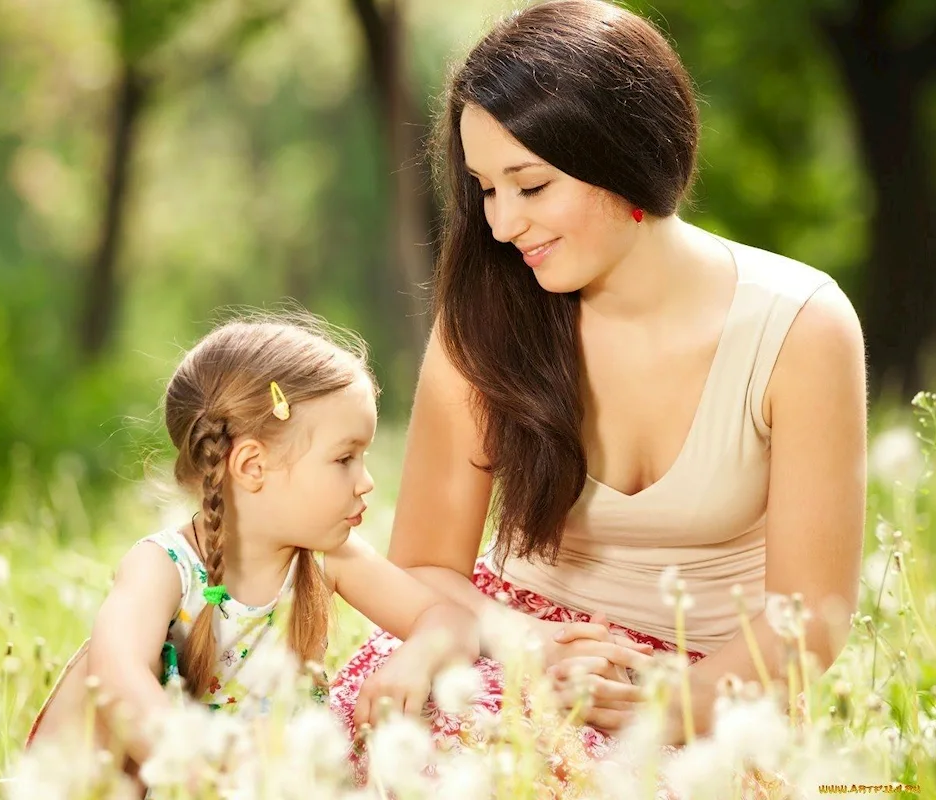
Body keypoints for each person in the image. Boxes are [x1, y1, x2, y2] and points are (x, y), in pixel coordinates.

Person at [332, 0, 867, 753]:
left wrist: (667, 700)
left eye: (530, 185)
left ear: (624, 157)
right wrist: (530, 648)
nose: (500, 224)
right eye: (485, 188)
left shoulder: (802, 327)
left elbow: (811, 618)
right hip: (506, 646)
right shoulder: (483, 318)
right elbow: (424, 567)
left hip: (720, 686)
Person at [26, 317, 480, 778]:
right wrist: (207, 771)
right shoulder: (163, 567)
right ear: (252, 466)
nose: (366, 481)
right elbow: (115, 675)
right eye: (344, 458)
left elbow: (451, 620)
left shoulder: (327, 559)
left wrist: (418, 657)